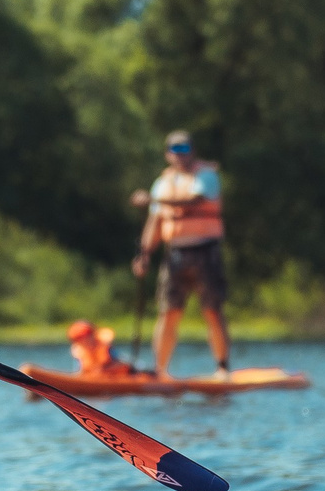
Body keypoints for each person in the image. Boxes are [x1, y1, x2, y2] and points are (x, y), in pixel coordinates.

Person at [130, 130, 231, 379]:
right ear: (167, 154)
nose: (180, 155)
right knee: (168, 312)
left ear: (193, 151)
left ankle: (222, 368)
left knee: (212, 310)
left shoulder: (206, 176)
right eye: (175, 150)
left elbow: (194, 200)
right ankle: (160, 371)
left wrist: (153, 199)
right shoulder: (163, 183)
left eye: (185, 149)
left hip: (205, 250)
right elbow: (155, 222)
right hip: (174, 253)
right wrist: (144, 255)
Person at [65, 319, 138, 378]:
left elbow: (123, 365)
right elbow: (82, 370)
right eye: (79, 339)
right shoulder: (80, 352)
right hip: (94, 378)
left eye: (86, 337)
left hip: (117, 375)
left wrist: (103, 370)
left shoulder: (105, 347)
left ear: (93, 335)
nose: (84, 341)